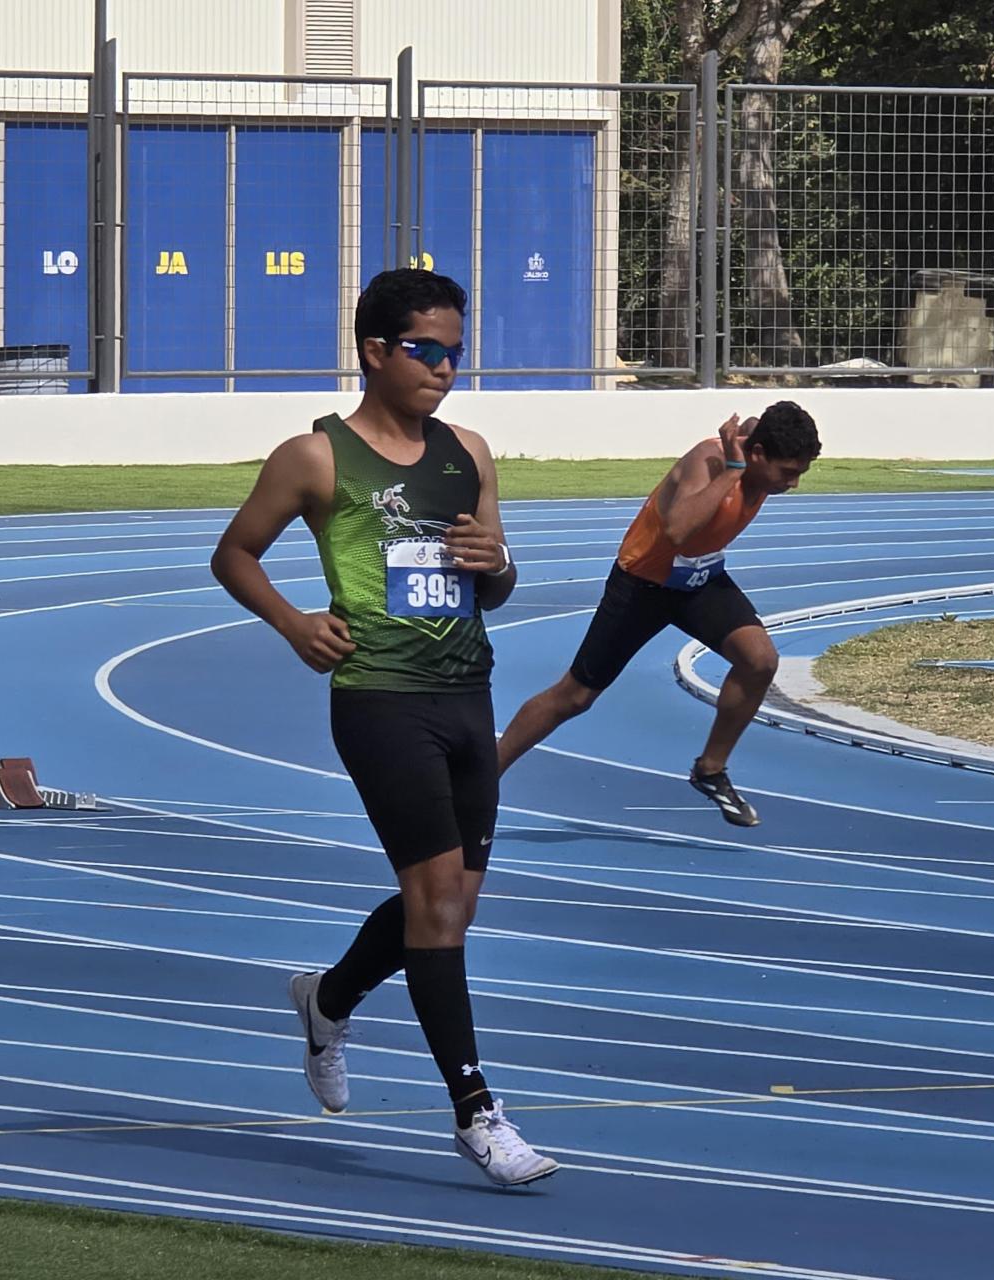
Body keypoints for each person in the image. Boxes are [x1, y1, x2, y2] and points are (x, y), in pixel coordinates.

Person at [210, 268, 558, 1188]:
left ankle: (327, 1000)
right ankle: (476, 1113)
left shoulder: (468, 452)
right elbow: (234, 553)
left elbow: (495, 582)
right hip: (379, 699)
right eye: (425, 349)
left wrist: (495, 563)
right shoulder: (315, 457)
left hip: (467, 694)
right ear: (375, 351)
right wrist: (293, 623)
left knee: (449, 908)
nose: (444, 367)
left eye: (455, 352)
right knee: (437, 905)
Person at [497, 402, 821, 827]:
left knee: (759, 660)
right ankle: (483, 776)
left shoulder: (757, 445)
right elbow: (678, 531)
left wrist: (746, 436)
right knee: (574, 696)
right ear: (757, 454)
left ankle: (710, 770)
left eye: (800, 473)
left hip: (699, 579)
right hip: (643, 585)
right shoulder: (709, 461)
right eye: (787, 472)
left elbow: (754, 425)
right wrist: (732, 470)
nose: (793, 484)